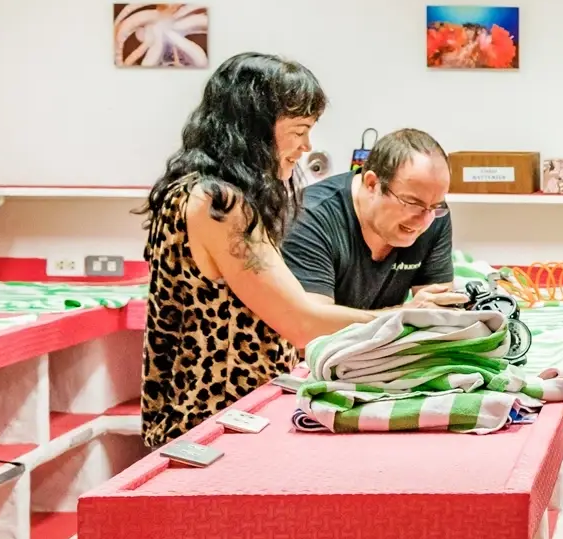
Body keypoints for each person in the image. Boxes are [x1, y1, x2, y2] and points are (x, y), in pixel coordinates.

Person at [139, 53, 376, 447]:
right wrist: (405, 321)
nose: (306, 146)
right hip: (217, 420)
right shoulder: (219, 203)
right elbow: (300, 322)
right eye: (300, 130)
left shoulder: (191, 189)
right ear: (254, 128)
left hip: (209, 416)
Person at [281, 128, 466, 311]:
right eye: (411, 203)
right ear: (372, 184)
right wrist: (403, 314)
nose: (424, 221)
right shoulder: (307, 216)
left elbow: (435, 312)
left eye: (435, 206)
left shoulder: (434, 214)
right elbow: (312, 325)